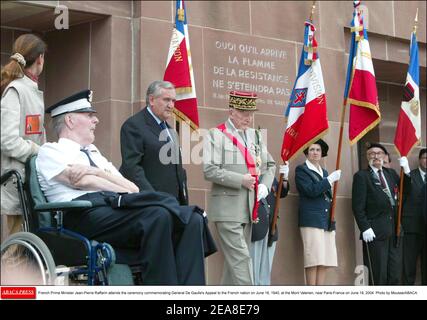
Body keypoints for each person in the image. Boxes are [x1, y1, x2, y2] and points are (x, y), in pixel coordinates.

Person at [36, 89, 212, 285]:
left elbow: (131, 188)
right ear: (70, 120)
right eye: (89, 116)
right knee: (157, 215)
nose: (96, 121)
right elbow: (80, 182)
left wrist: (96, 172)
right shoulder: (50, 151)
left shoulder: (95, 154)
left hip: (112, 208)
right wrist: (103, 180)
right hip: (81, 213)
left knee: (193, 220)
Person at [203, 91, 276, 285]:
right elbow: (209, 170)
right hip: (227, 210)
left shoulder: (256, 136)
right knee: (242, 260)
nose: (248, 118)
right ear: (231, 111)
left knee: (232, 267)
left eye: (251, 113)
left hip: (249, 209)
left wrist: (265, 186)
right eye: (244, 113)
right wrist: (240, 180)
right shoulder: (216, 135)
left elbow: (270, 165)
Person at [1, 33, 47, 242]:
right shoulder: (16, 90)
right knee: (16, 251)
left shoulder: (28, 88)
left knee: (26, 251)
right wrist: (40, 151)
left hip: (31, 182)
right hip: (17, 183)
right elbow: (8, 141)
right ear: (40, 58)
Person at [120, 80, 188, 205]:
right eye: (166, 100)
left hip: (173, 204)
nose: (171, 105)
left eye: (173, 101)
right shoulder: (134, 125)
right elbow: (132, 168)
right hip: (150, 205)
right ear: (151, 100)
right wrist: (154, 198)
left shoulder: (170, 131)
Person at [352, 142, 411, 285]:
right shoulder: (362, 176)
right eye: (372, 154)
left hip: (395, 230)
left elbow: (405, 192)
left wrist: (407, 171)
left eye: (379, 153)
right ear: (367, 157)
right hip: (375, 232)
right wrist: (365, 227)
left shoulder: (390, 173)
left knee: (395, 273)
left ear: (384, 156)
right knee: (379, 275)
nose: (376, 156)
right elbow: (357, 206)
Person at [295, 139, 341, 285]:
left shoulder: (324, 172)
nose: (315, 153)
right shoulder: (302, 170)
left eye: (318, 150)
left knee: (324, 260)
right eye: (312, 149)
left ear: (322, 153)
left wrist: (329, 179)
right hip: (311, 219)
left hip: (326, 219)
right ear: (307, 152)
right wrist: (329, 180)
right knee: (313, 259)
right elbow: (311, 191)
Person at [250, 163, 289, 285]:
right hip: (255, 226)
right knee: (253, 272)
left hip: (270, 226)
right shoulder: (248, 173)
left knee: (265, 274)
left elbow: (281, 192)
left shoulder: (269, 175)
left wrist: (285, 177)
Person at [402, 148, 426, 285]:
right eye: (424, 158)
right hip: (412, 228)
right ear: (419, 159)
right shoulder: (409, 175)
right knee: (409, 265)